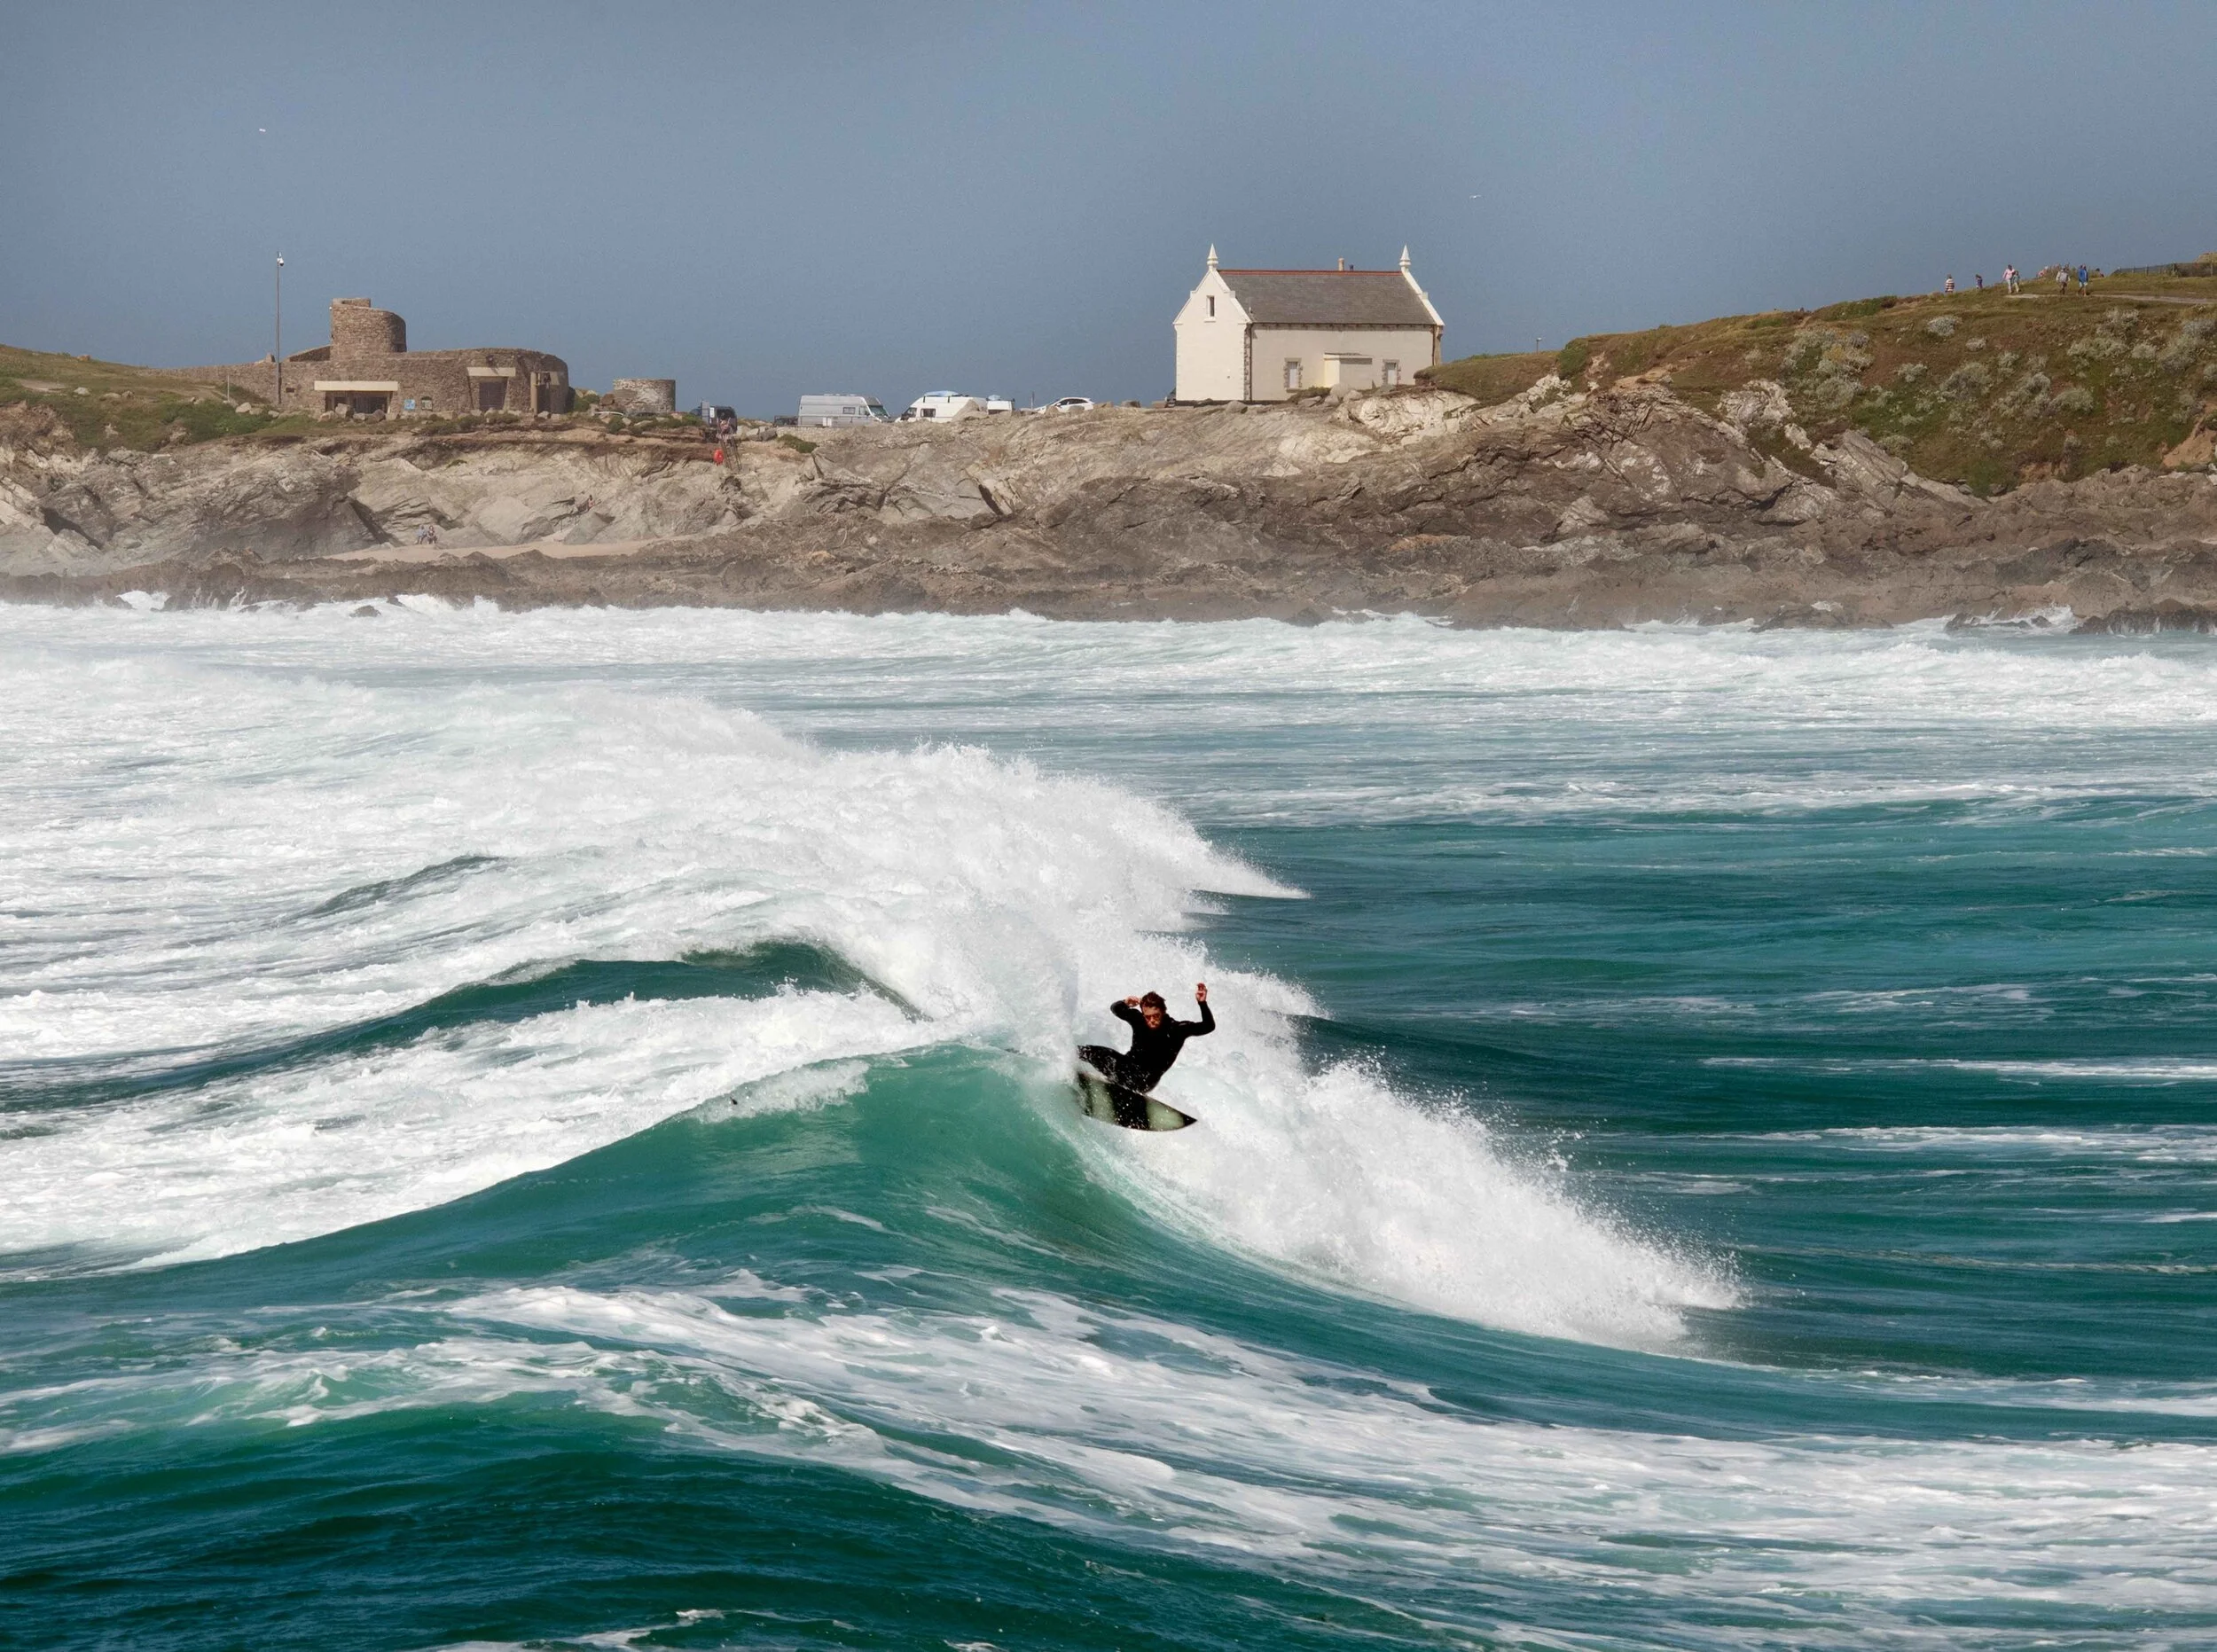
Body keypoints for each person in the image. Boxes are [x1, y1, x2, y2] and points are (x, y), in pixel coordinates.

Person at [1079, 983, 1212, 1093]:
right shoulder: (1139, 1020)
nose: (1152, 1020)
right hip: (1125, 1069)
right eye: (1148, 1017)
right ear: (1143, 1013)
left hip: (1145, 1081)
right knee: (1088, 1051)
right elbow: (1116, 1009)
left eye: (1156, 1016)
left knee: (1120, 1068)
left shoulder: (1178, 1029)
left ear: (1163, 1011)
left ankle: (1116, 1085)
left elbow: (1208, 1026)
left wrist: (1202, 1003)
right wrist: (1125, 1002)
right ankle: (1065, 1063)